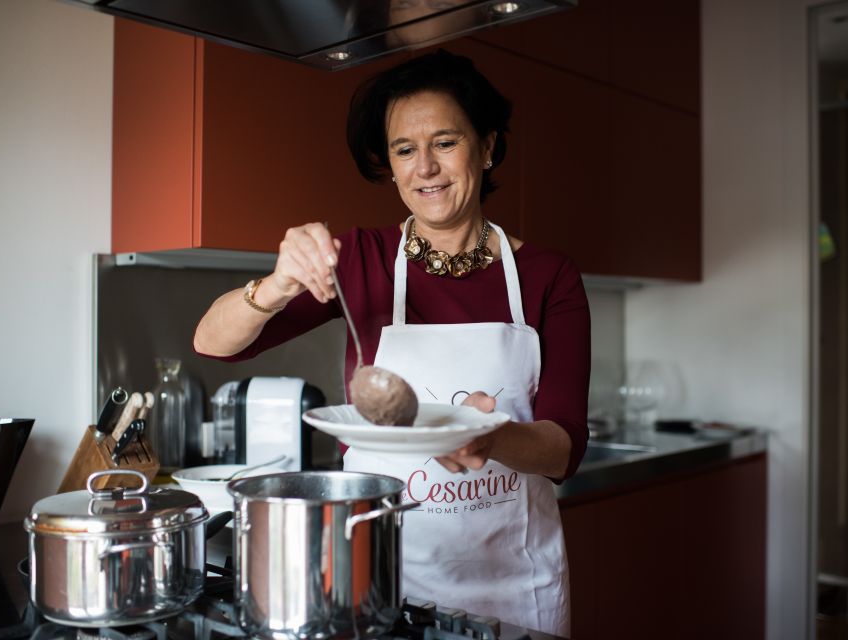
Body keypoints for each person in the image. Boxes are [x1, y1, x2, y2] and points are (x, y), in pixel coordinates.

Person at [194, 49, 589, 636]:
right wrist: (277, 284)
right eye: (405, 150)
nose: (424, 167)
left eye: (445, 142)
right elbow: (214, 342)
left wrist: (492, 437)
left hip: (519, 586)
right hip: (387, 579)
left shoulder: (548, 275)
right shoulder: (359, 259)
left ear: (487, 146)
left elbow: (563, 450)